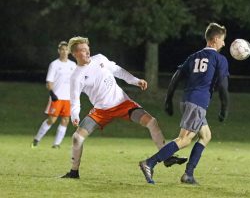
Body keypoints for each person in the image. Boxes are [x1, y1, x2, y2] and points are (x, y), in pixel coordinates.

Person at [61, 36, 187, 179]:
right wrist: (75, 115)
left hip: (122, 104)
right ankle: (74, 172)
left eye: (87, 48)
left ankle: (166, 157)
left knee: (152, 122)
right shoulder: (76, 76)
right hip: (101, 111)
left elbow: (118, 71)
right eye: (82, 50)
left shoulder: (100, 59)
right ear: (74, 53)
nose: (87, 52)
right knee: (77, 138)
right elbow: (75, 99)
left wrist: (135, 81)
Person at [139, 22, 229, 184]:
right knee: (185, 139)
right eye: (223, 40)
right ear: (215, 39)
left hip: (188, 99)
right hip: (197, 103)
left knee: (206, 135)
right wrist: (224, 107)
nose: (224, 43)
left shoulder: (194, 57)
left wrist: (169, 99)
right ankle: (149, 163)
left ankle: (188, 174)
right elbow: (223, 85)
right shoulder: (219, 58)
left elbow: (176, 76)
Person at [31, 41, 76, 148]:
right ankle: (37, 139)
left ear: (69, 51)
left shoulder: (72, 65)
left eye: (66, 49)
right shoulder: (54, 64)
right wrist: (52, 93)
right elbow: (49, 82)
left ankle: (56, 144)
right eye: (62, 49)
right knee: (52, 120)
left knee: (65, 120)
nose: (64, 51)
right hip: (57, 97)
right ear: (58, 51)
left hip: (68, 98)